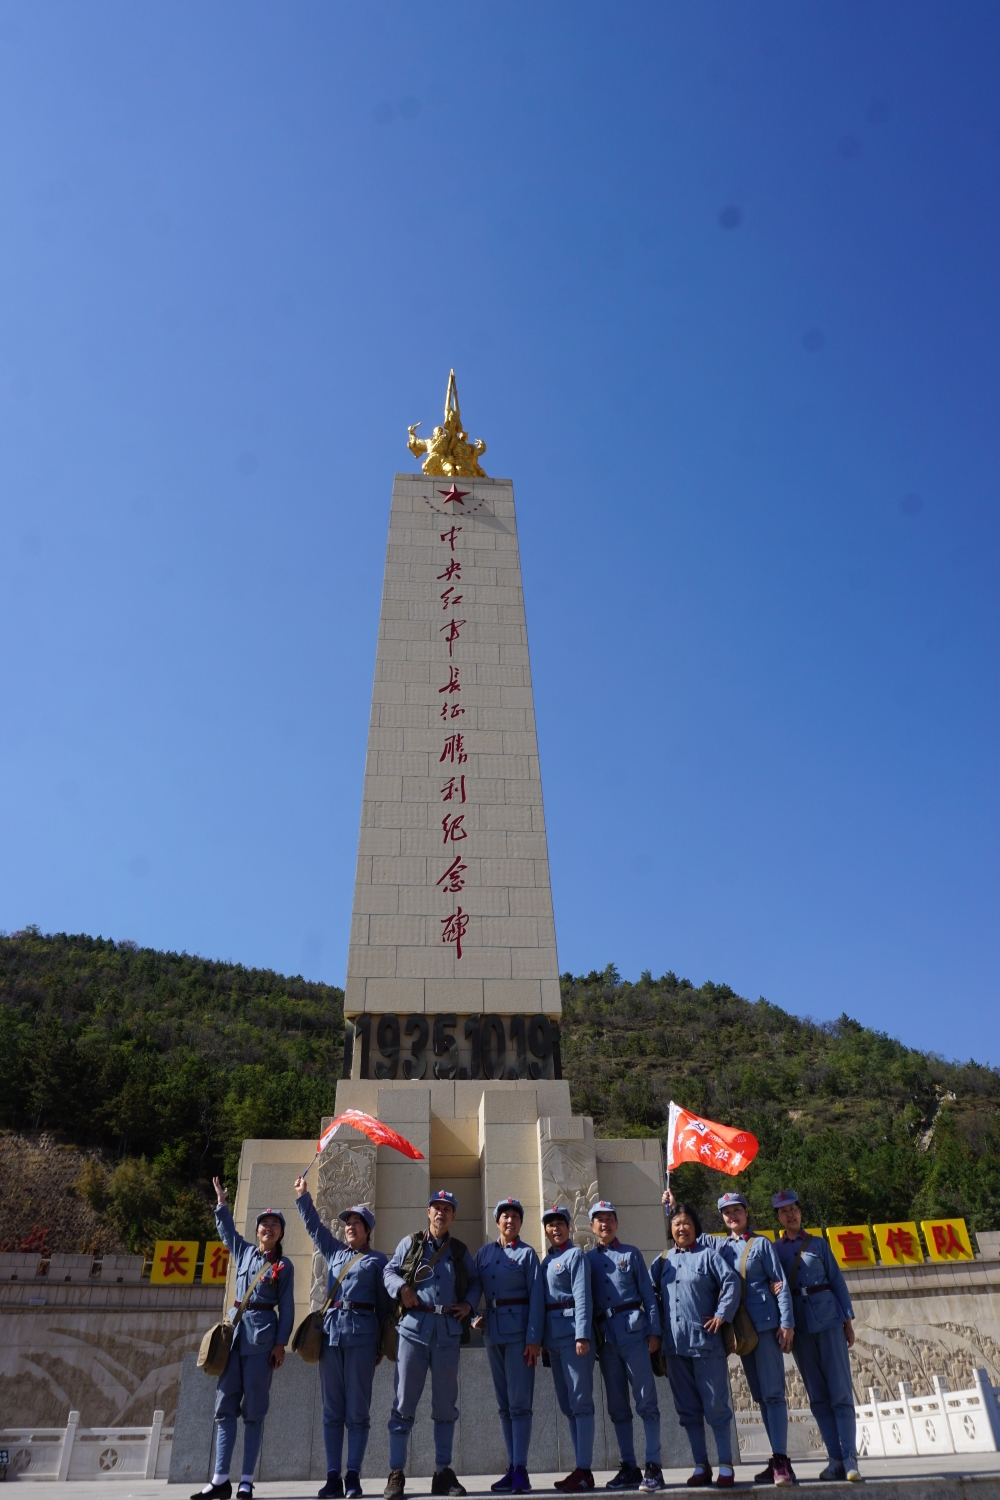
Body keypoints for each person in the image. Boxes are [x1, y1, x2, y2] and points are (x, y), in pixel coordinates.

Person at [192, 1177, 295, 1500]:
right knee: (224, 1407)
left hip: (262, 1341)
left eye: (275, 1224)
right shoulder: (245, 1252)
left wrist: (280, 1343)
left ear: (280, 1233)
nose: (269, 1228)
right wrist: (222, 1203)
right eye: (264, 1224)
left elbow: (288, 1308)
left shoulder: (284, 1265)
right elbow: (226, 1233)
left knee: (254, 1411)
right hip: (233, 1337)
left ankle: (246, 1480)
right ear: (256, 1231)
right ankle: (220, 1478)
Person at [294, 1177, 392, 1500]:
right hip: (331, 1338)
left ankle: (353, 1475)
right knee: (332, 1411)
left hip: (363, 1339)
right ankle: (333, 1475)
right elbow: (314, 1228)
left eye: (356, 1223)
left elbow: (384, 1308)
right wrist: (304, 1197)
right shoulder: (334, 1252)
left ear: (367, 1230)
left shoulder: (378, 1261)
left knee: (358, 1413)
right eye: (348, 1223)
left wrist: (379, 1346)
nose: (350, 1227)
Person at [382, 1189, 483, 1500]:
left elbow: (476, 1280)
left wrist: (468, 1303)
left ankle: (442, 1471)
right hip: (413, 1331)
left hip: (447, 1334)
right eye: (436, 1208)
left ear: (453, 1216)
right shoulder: (410, 1243)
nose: (441, 1213)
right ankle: (396, 1472)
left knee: (445, 1407)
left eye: (447, 1209)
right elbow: (388, 1271)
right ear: (428, 1213)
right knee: (403, 1405)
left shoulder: (459, 1250)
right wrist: (401, 1289)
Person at [772, 1190, 861, 1483]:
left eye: (794, 1209)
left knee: (841, 1392)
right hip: (800, 1327)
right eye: (784, 1211)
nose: (791, 1215)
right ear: (778, 1218)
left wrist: (848, 1322)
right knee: (818, 1397)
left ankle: (850, 1459)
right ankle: (834, 1459)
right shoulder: (775, 1250)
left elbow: (837, 1281)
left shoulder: (819, 1245)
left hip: (829, 1322)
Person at [651, 1201, 740, 1489]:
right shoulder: (662, 1261)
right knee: (688, 1410)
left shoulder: (708, 1256)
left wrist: (721, 1315)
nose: (681, 1228)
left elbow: (731, 1283)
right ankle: (701, 1464)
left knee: (715, 1406)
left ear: (695, 1227)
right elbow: (648, 1294)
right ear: (670, 1229)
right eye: (676, 1224)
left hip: (705, 1345)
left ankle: (726, 1464)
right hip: (674, 1348)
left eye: (687, 1222)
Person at [715, 1191, 795, 1486]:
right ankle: (776, 1458)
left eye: (737, 1210)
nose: (732, 1216)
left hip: (765, 1326)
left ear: (746, 1213)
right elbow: (687, 1235)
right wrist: (669, 1206)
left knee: (773, 1394)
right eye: (727, 1212)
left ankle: (782, 1461)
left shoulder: (761, 1244)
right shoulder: (720, 1248)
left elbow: (780, 1283)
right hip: (741, 1331)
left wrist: (787, 1323)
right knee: (760, 1396)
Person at [586, 1199, 664, 1493]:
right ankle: (629, 1466)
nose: (604, 1224)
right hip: (606, 1341)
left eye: (609, 1218)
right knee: (618, 1407)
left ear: (616, 1223)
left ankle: (654, 1467)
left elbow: (648, 1296)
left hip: (635, 1334)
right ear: (592, 1226)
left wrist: (654, 1332)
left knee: (647, 1403)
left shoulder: (630, 1254)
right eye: (599, 1219)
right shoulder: (588, 1260)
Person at [473, 1197, 545, 1495]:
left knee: (519, 1405)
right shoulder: (484, 1254)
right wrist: (474, 1315)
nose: (510, 1220)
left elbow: (537, 1299)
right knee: (504, 1406)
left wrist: (533, 1339)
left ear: (520, 1223)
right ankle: (511, 1466)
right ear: (497, 1221)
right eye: (505, 1216)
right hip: (493, 1333)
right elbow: (473, 1288)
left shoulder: (528, 1255)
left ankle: (521, 1469)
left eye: (516, 1216)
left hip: (519, 1335)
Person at [541, 1204, 596, 1494]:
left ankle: (585, 1470)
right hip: (554, 1341)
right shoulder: (546, 1261)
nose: (555, 1229)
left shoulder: (576, 1256)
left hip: (574, 1339)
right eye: (550, 1225)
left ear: (568, 1227)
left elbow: (582, 1297)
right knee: (568, 1406)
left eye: (560, 1223)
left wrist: (583, 1335)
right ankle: (579, 1467)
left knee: (581, 1403)